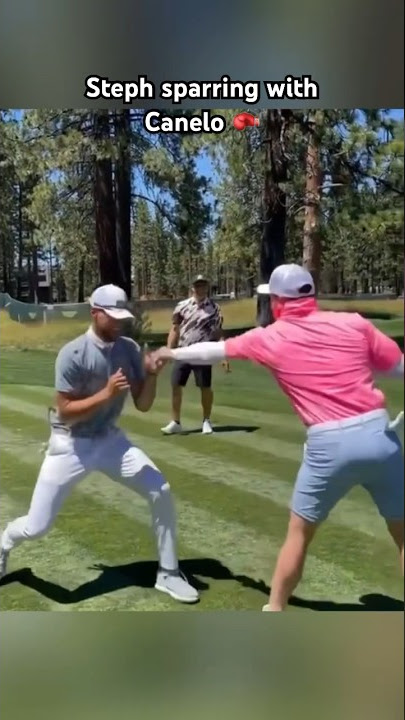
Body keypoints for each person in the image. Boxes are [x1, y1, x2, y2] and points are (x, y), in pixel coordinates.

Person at [152, 264, 404, 611]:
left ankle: (275, 608)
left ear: (277, 302)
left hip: (328, 444)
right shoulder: (355, 323)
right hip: (380, 435)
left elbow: (215, 351)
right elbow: (398, 365)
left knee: (299, 534)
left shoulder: (269, 336)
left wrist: (172, 353)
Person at [0, 284, 199, 604]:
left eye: (123, 315)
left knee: (159, 489)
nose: (120, 322)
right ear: (95, 313)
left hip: (109, 441)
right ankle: (4, 541)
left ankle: (168, 573)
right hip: (70, 444)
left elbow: (144, 404)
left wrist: (150, 375)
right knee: (37, 527)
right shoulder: (73, 354)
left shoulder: (129, 348)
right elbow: (64, 412)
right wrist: (105, 394)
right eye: (113, 316)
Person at [161, 274, 225, 435]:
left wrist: (223, 353)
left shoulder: (214, 308)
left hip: (203, 352)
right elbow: (175, 329)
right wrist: (169, 349)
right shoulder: (182, 306)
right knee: (176, 385)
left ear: (207, 288)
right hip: (183, 351)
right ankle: (175, 422)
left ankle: (206, 421)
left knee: (205, 387)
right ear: (192, 288)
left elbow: (217, 332)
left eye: (203, 285)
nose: (200, 288)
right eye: (198, 285)